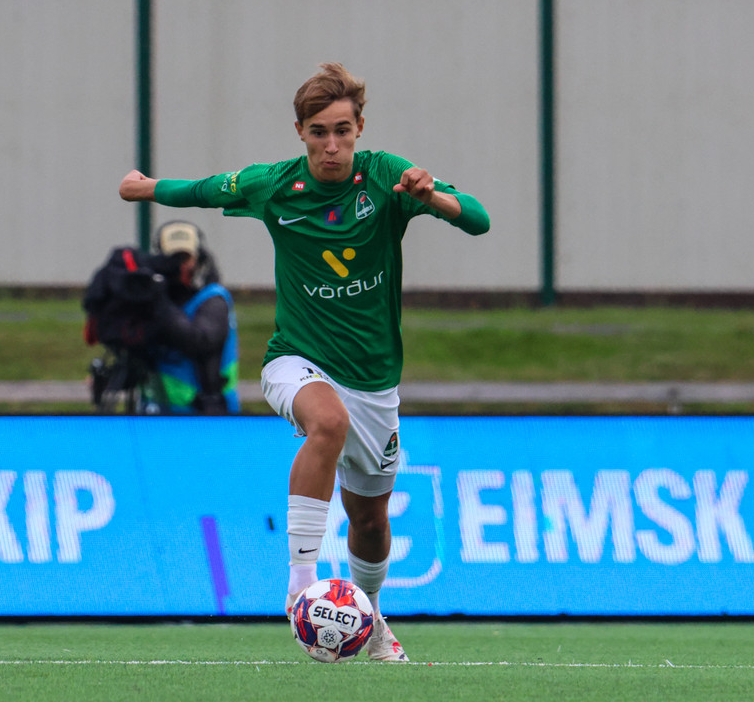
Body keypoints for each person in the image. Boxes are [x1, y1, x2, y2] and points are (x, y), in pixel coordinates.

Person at [119, 62, 490, 661]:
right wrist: (146, 187)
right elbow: (206, 189)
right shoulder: (274, 185)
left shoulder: (387, 177)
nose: (332, 145)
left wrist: (434, 198)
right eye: (319, 132)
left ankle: (371, 618)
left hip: (374, 380)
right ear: (300, 132)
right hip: (295, 360)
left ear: (360, 127)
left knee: (369, 521)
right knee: (328, 422)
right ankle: (300, 587)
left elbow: (479, 220)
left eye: (342, 130)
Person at [147, 220, 240, 415]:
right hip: (158, 415)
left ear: (199, 259)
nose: (180, 266)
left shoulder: (213, 298)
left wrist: (158, 297)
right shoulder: (158, 299)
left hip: (207, 414)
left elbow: (199, 340)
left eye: (185, 258)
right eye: (173, 258)